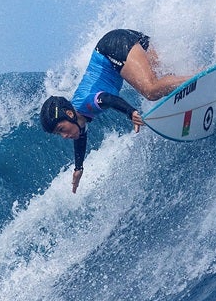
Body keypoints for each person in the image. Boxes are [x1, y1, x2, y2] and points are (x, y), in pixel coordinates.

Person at [40, 29, 192, 193]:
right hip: (118, 43)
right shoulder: (79, 117)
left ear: (69, 114)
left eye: (61, 129)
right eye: (59, 134)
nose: (64, 136)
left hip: (113, 47)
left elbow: (108, 99)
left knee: (151, 91)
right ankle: (201, 74)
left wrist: (130, 112)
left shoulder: (85, 104)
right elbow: (80, 136)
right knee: (166, 79)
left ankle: (198, 78)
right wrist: (78, 168)